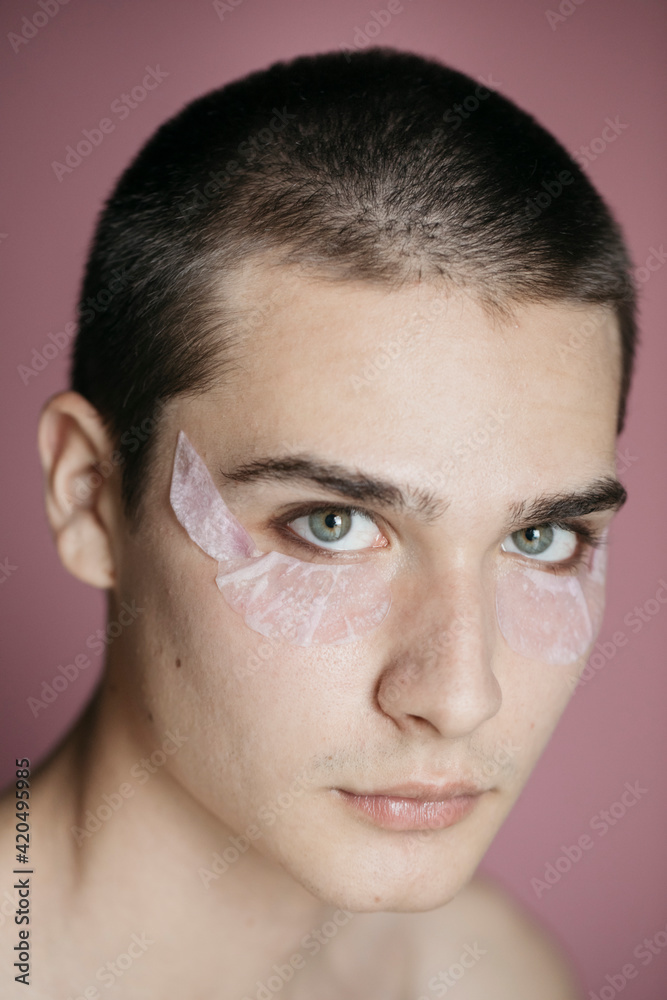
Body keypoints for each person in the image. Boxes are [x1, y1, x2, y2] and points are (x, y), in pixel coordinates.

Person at [0, 47, 636, 997]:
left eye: (538, 539)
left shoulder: (490, 978)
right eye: (332, 525)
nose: (459, 697)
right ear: (89, 494)